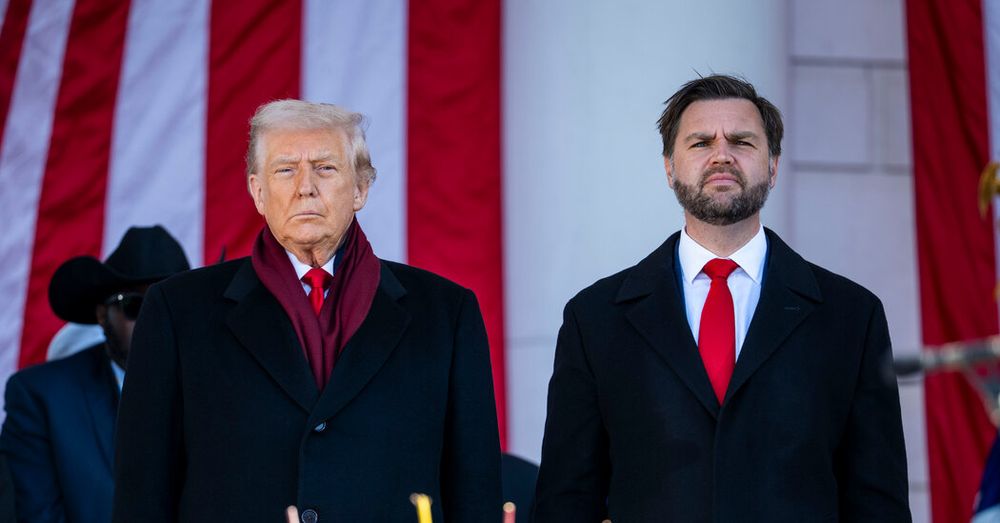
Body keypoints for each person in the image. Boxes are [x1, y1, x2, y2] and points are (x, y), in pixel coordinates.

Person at [532, 75, 911, 521]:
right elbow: (566, 501)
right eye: (701, 143)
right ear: (669, 168)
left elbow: (878, 504)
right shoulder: (595, 319)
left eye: (742, 141)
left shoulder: (852, 317)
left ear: (773, 166)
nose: (722, 155)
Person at [112, 100, 502, 522]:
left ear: (360, 189)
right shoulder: (178, 311)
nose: (305, 187)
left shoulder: (446, 314)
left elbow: (475, 492)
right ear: (258, 192)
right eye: (285, 170)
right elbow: (142, 495)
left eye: (325, 168)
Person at [0, 225, 190, 523]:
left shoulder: (221, 386)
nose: (155, 320)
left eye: (174, 306)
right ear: (103, 314)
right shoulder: (42, 397)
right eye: (134, 305)